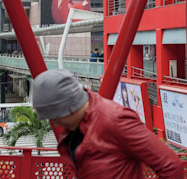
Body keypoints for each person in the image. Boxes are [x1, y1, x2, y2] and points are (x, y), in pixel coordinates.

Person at [33, 69, 183, 179]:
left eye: (55, 115)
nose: (54, 122)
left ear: (70, 105)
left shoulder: (115, 120)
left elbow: (170, 165)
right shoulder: (75, 127)